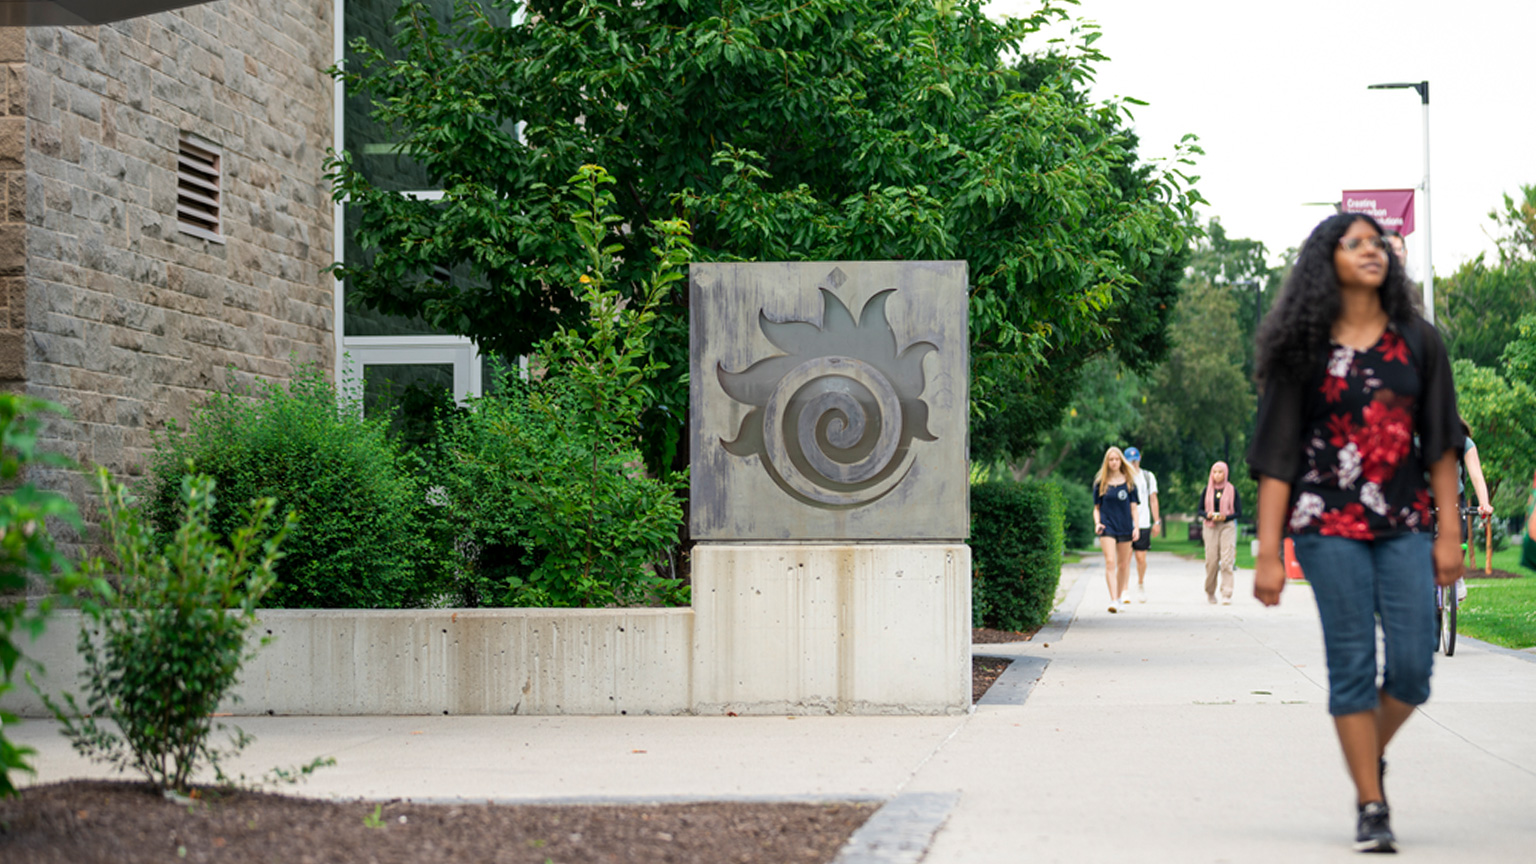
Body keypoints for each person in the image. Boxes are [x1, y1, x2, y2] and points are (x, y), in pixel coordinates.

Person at [1248, 212, 1464, 853]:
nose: (1373, 251)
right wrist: (1266, 554)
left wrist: (1448, 533)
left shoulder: (1420, 343)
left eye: (1379, 243)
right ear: (1326, 261)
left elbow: (1443, 445)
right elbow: (1276, 457)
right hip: (1326, 524)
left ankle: (1366, 752)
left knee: (1414, 667)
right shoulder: (1301, 349)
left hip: (1402, 524)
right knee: (1350, 666)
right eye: (1356, 243)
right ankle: (1372, 802)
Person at [1091, 446, 1140, 613]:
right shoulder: (1100, 483)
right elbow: (1096, 508)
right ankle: (1112, 600)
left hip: (1125, 526)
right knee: (1110, 562)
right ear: (1107, 462)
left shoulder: (1130, 483)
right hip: (1107, 526)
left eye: (1116, 459)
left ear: (1121, 461)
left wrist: (1136, 527)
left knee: (1123, 564)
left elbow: (1134, 508)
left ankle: (1119, 597)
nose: (1113, 462)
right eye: (1110, 460)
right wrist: (1097, 523)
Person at [1458, 420, 1494, 595]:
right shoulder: (1417, 442)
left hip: (1453, 497)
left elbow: (1477, 476)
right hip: (1424, 498)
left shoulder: (1464, 443)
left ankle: (1456, 575)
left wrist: (1484, 502)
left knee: (1459, 539)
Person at [1200, 461, 1241, 605]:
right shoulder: (1207, 490)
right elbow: (1200, 510)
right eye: (1214, 472)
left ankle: (1227, 593)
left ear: (1225, 473)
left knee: (1226, 560)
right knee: (1211, 561)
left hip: (1227, 526)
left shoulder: (1232, 490)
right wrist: (1208, 514)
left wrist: (1226, 517)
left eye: (1220, 472)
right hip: (1210, 526)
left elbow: (1238, 512)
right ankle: (1210, 591)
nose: (1217, 475)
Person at [1125, 446, 1160, 602]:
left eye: (1135, 460)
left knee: (1140, 558)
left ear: (1139, 459)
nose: (1133, 464)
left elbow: (1153, 499)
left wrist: (1156, 521)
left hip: (1144, 521)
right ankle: (1124, 588)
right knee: (1124, 558)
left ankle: (1140, 583)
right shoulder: (1121, 477)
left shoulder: (1147, 476)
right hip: (1125, 523)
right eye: (1130, 461)